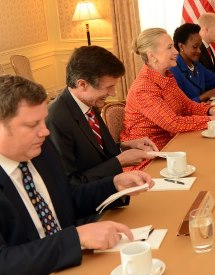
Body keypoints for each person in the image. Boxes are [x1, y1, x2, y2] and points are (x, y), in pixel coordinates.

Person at [0, 75, 153, 274]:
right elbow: (4, 261)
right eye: (32, 125)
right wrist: (76, 238)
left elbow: (67, 198)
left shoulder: (40, 150)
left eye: (43, 122)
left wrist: (113, 184)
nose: (45, 132)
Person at [46, 46, 158, 184]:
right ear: (82, 84)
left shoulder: (88, 103)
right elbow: (71, 183)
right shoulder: (56, 120)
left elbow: (93, 152)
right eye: (108, 87)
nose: (113, 94)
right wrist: (120, 161)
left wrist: (124, 146)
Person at [120, 28, 215, 153]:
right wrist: (213, 120)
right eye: (169, 48)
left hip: (175, 143)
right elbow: (173, 124)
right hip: (151, 155)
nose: (176, 52)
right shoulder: (143, 88)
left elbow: (187, 106)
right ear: (152, 55)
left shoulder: (167, 76)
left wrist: (212, 110)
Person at [170, 23, 215, 102]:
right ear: (181, 46)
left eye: (200, 47)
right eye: (195, 47)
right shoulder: (174, 71)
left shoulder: (196, 65)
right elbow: (180, 106)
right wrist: (204, 96)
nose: (199, 51)